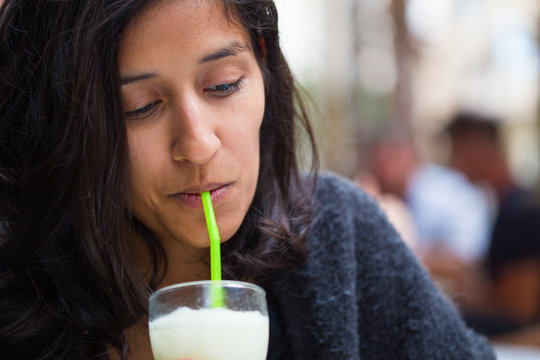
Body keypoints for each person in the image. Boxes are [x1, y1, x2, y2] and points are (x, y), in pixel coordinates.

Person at [0, 1, 495, 359]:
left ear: (261, 62)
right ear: (63, 125)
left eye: (223, 85)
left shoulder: (337, 237)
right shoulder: (19, 298)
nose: (197, 144)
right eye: (139, 107)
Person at [364, 127, 492, 295]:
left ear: (404, 157)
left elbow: (466, 261)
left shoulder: (434, 194)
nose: (377, 172)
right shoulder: (409, 196)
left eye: (380, 163)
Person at [445, 112, 540, 336]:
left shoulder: (519, 214)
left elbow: (519, 312)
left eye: (455, 151)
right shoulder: (508, 206)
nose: (452, 162)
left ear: (475, 150)